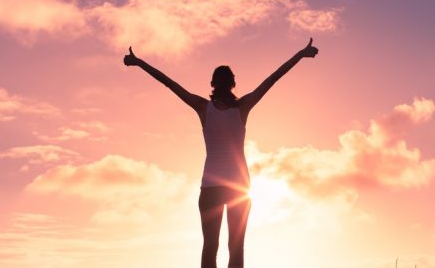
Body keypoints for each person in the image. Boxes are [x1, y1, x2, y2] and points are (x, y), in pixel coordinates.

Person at [123, 39, 319, 268]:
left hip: (211, 187)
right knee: (236, 248)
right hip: (239, 187)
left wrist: (139, 62)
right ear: (233, 84)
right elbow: (273, 78)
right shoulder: (243, 107)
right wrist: (300, 54)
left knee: (210, 247)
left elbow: (170, 83)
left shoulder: (203, 107)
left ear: (213, 84)